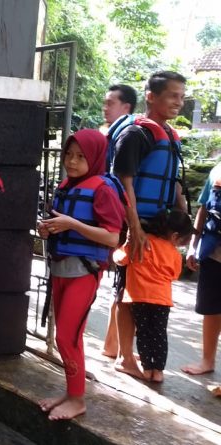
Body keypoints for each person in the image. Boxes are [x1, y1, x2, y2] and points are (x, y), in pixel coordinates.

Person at [37, 129, 126, 420]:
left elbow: (112, 238)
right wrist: (49, 229)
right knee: (66, 336)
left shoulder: (103, 189)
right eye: (68, 155)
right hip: (61, 268)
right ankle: (71, 393)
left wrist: (72, 224)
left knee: (67, 336)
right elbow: (61, 225)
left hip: (84, 272)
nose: (72, 162)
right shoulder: (67, 185)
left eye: (80, 157)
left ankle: (77, 400)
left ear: (95, 158)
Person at [109, 71, 188, 378]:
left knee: (149, 294)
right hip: (136, 225)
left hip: (158, 227)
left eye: (181, 97)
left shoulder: (169, 135)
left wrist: (182, 217)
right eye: (172, 96)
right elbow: (124, 182)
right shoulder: (136, 134)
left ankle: (133, 353)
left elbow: (173, 182)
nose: (178, 102)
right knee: (126, 292)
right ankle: (124, 357)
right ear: (151, 97)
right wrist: (134, 229)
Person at [113, 209, 193, 382]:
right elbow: (174, 275)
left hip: (138, 298)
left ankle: (147, 369)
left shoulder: (140, 241)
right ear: (174, 236)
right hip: (162, 300)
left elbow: (120, 259)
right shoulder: (174, 253)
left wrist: (122, 246)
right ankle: (158, 372)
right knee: (159, 333)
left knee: (143, 332)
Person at [100, 83, 137, 358]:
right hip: (114, 220)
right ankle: (113, 345)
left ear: (126, 107)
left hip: (118, 221)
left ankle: (112, 344)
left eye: (110, 103)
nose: (105, 107)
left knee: (122, 285)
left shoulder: (127, 135)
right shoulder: (117, 134)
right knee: (121, 284)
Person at [181, 162, 221, 376]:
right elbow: (204, 209)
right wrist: (193, 246)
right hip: (213, 252)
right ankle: (207, 361)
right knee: (210, 309)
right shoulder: (217, 170)